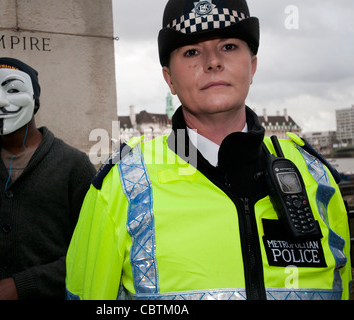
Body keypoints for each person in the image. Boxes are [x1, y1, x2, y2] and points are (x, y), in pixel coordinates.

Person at [65, 0, 352, 300]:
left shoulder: (316, 178)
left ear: (252, 66)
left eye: (228, 46)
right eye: (192, 52)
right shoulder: (121, 185)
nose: (212, 62)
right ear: (169, 79)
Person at [0, 57, 96, 300]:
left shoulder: (73, 165)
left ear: (35, 103)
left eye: (13, 90)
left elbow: (92, 253)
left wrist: (22, 286)